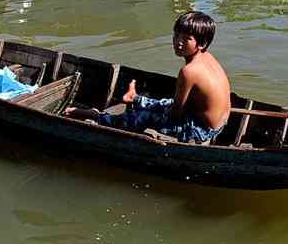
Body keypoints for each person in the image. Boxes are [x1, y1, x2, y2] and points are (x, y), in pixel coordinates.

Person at [65, 11, 231, 145]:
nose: (177, 42)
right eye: (176, 35)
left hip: (201, 130)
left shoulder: (189, 71)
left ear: (201, 44)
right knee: (165, 103)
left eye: (186, 39)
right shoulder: (208, 57)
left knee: (143, 117)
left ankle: (97, 116)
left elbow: (176, 114)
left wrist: (154, 114)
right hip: (221, 123)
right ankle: (134, 98)